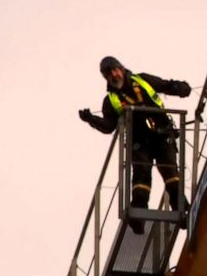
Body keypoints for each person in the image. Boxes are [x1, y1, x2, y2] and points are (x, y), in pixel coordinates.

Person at [79, 56, 191, 234]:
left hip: (162, 134)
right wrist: (91, 119)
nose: (115, 74)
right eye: (110, 73)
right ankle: (138, 216)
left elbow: (164, 85)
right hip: (139, 142)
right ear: (106, 77)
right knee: (141, 175)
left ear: (121, 68)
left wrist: (181, 88)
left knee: (171, 172)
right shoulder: (110, 100)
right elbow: (109, 127)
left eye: (116, 69)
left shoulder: (143, 80)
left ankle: (182, 209)